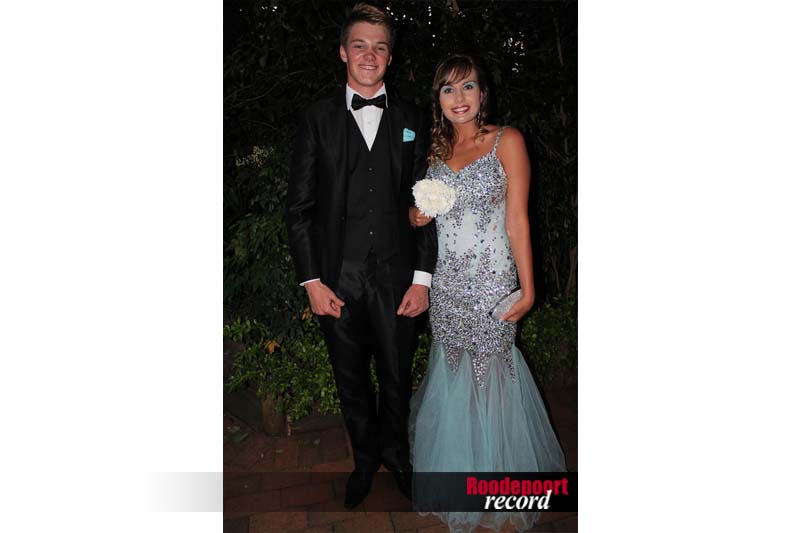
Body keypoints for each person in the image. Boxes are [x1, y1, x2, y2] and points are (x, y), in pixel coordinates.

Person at [286, 3, 437, 510]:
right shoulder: (316, 119)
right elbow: (299, 209)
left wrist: (422, 279)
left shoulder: (413, 118)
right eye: (359, 45)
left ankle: (397, 456)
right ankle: (365, 460)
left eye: (379, 47)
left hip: (398, 278)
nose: (369, 55)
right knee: (350, 379)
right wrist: (312, 282)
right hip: (336, 281)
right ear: (342, 52)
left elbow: (427, 203)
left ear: (390, 57)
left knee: (397, 376)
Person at [408, 54, 566, 532]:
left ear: (483, 93)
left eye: (468, 87)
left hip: (493, 282)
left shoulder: (506, 141)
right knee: (453, 371)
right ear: (438, 99)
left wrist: (529, 288)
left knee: (493, 373)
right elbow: (420, 217)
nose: (459, 98)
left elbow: (518, 220)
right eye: (448, 89)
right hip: (447, 285)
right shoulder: (434, 153)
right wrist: (416, 215)